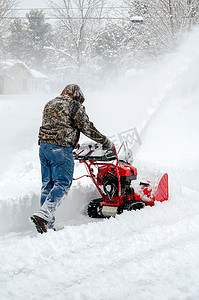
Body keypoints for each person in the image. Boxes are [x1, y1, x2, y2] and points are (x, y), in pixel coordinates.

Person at [30, 84, 113, 233]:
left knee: (47, 185)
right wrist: (104, 141)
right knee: (63, 184)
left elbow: (56, 125)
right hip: (60, 149)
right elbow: (87, 127)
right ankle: (43, 215)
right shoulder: (73, 106)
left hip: (43, 148)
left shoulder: (50, 103)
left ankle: (46, 226)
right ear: (77, 96)